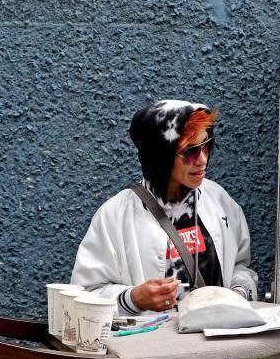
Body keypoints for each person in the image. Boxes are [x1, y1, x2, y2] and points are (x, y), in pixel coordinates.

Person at [71, 99, 258, 315]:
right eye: (190, 152)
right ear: (160, 156)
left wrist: (239, 291)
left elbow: (241, 266)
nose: (203, 160)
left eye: (207, 145)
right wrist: (133, 299)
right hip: (155, 347)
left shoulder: (219, 201)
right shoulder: (115, 216)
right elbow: (84, 296)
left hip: (216, 345)